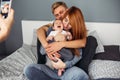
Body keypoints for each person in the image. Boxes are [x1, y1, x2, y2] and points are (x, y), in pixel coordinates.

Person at [24, 6, 90, 80]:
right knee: (29, 69)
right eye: (65, 20)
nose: (66, 25)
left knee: (81, 75)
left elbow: (78, 55)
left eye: (70, 23)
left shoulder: (74, 36)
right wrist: (48, 49)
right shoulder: (53, 27)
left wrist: (64, 65)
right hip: (50, 68)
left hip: (67, 70)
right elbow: (40, 32)